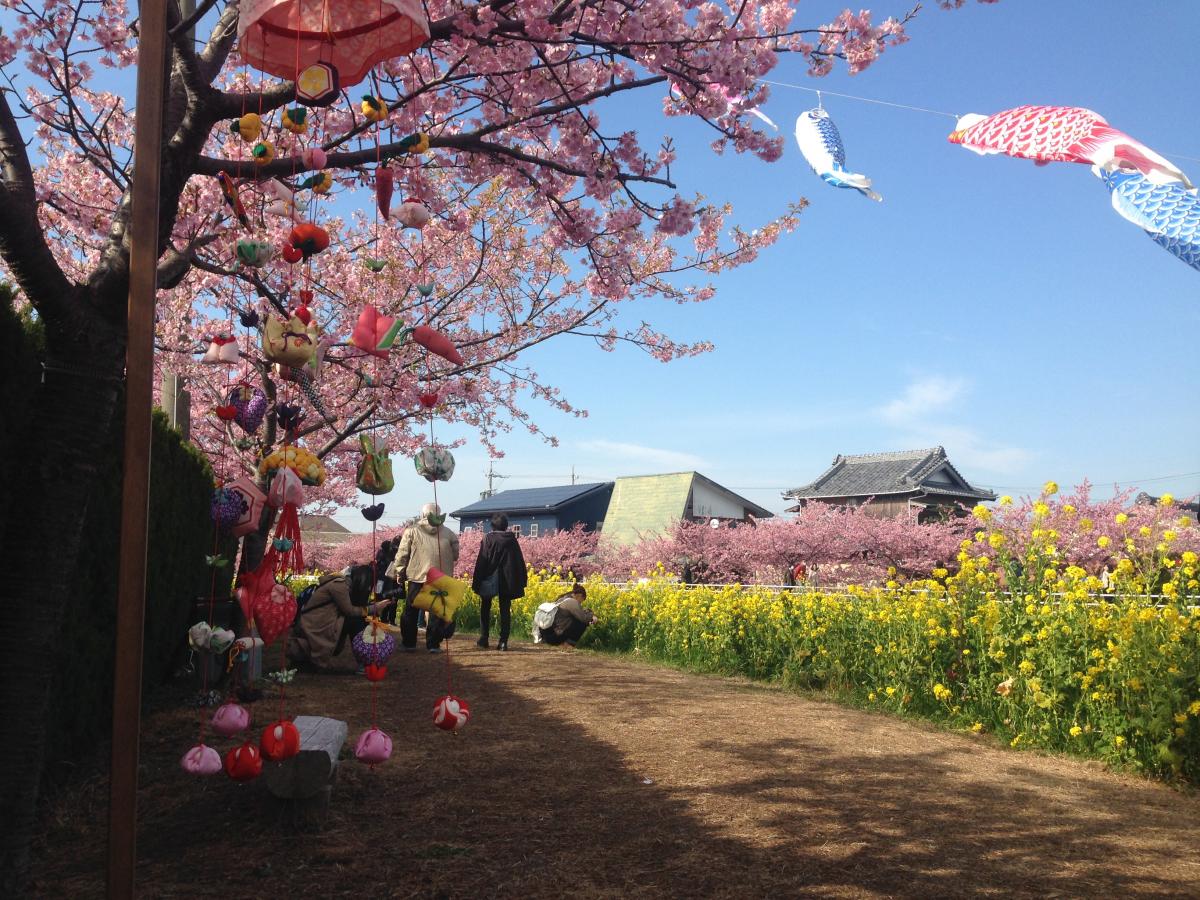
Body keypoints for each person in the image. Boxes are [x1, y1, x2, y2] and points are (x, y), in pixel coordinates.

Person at [287, 564, 394, 671]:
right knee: (355, 620)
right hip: (314, 627)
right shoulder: (339, 586)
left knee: (357, 619)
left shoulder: (344, 585)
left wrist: (374, 607)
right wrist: (374, 608)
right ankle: (366, 662)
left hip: (319, 625)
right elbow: (350, 610)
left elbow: (354, 608)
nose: (368, 589)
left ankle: (367, 661)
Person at [392, 502, 460, 653]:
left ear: (423, 515)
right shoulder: (449, 533)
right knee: (436, 612)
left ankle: (409, 643)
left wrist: (399, 571)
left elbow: (402, 553)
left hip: (417, 576)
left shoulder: (412, 531)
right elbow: (455, 555)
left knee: (411, 610)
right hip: (440, 577)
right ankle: (433, 645)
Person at [471, 513, 528, 651]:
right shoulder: (512, 540)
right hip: (507, 579)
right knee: (505, 609)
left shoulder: (488, 538)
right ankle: (503, 642)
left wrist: (477, 580)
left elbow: (482, 560)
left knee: (485, 606)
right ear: (506, 526)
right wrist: (522, 579)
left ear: (492, 525)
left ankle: (484, 638)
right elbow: (519, 560)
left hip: (489, 577)